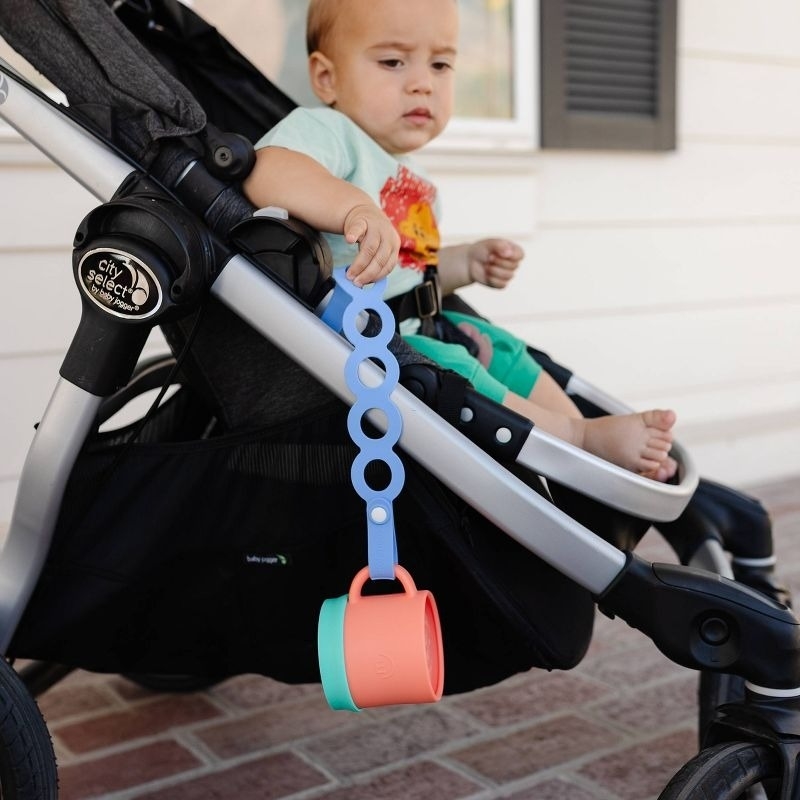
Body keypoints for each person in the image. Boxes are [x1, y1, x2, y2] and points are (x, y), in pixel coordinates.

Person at [243, 0, 677, 481]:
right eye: (392, 62)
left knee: (503, 349)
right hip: (370, 345)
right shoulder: (330, 133)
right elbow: (268, 172)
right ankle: (579, 442)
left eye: (441, 64)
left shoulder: (413, 174)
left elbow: (414, 271)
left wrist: (466, 263)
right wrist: (352, 206)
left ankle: (583, 427)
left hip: (422, 322)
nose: (422, 82)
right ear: (327, 78)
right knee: (458, 373)